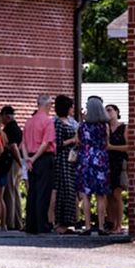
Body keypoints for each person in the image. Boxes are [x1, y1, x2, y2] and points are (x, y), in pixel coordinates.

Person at [77, 96, 111, 235]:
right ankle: (101, 226)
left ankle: (87, 226)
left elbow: (79, 141)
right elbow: (107, 144)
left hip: (85, 159)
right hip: (101, 159)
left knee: (86, 195)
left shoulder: (82, 126)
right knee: (101, 195)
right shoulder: (105, 126)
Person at [23, 94, 56, 234]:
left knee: (32, 193)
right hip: (42, 158)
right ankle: (41, 225)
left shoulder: (28, 121)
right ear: (47, 105)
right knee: (43, 193)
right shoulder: (48, 122)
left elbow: (23, 143)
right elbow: (46, 143)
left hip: (30, 158)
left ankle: (30, 225)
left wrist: (27, 159)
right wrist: (35, 158)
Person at [52, 95, 80, 234]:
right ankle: (60, 222)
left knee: (72, 191)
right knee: (64, 190)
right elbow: (56, 144)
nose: (72, 109)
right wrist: (71, 140)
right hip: (62, 160)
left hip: (71, 161)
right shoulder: (57, 123)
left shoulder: (71, 122)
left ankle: (69, 222)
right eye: (70, 107)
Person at [0, 105, 24, 231]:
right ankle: (18, 221)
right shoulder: (18, 129)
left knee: (9, 193)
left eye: (2, 116)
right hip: (18, 162)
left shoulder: (9, 129)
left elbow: (14, 146)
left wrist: (19, 162)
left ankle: (10, 222)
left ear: (7, 116)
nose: (1, 119)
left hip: (13, 162)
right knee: (15, 192)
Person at [106, 104, 128, 233]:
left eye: (110, 110)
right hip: (107, 163)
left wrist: (112, 147)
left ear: (117, 112)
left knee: (116, 194)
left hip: (120, 163)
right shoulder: (105, 128)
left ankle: (119, 225)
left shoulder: (124, 128)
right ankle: (111, 223)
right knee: (108, 195)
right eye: (105, 110)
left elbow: (129, 146)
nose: (108, 113)